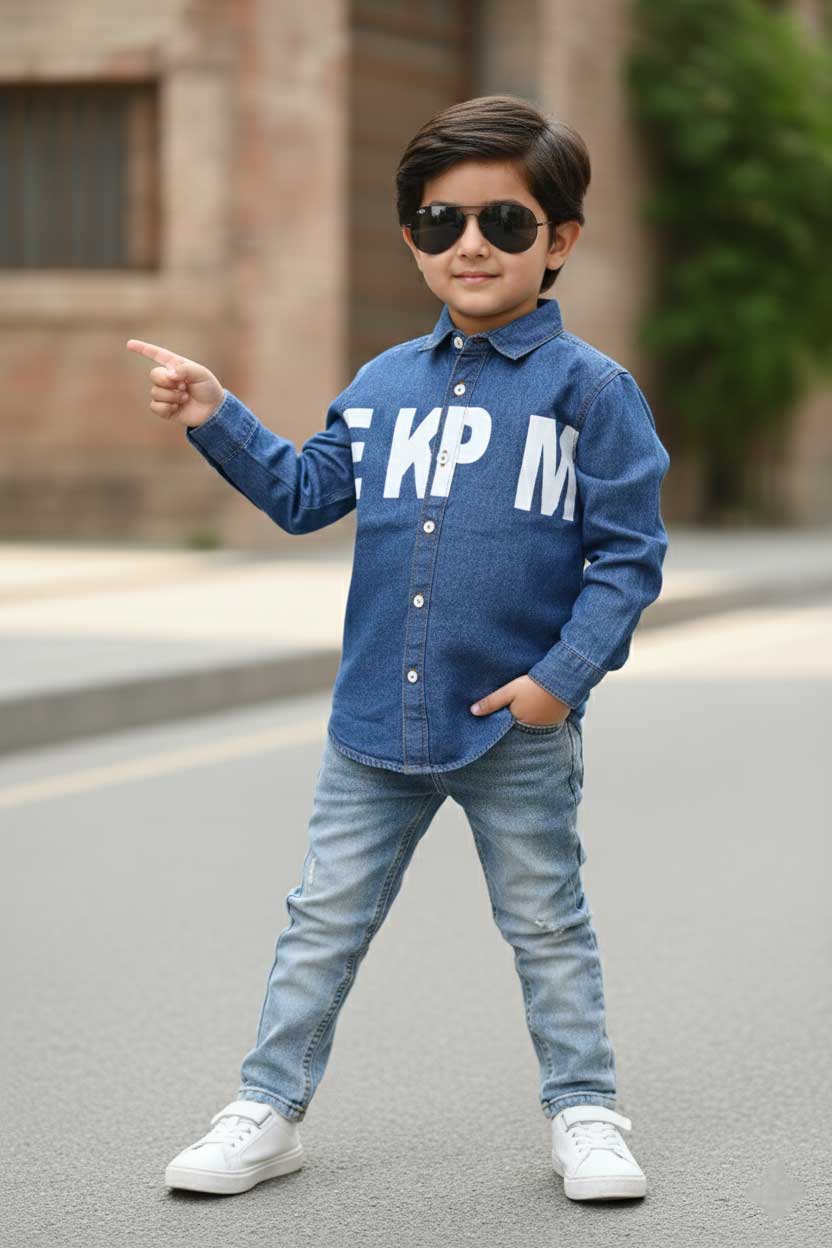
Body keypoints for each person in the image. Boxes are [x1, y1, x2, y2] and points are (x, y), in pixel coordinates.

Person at [126, 93, 670, 1201]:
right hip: (373, 719)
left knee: (545, 924)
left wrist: (558, 683)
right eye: (440, 222)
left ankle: (585, 1112)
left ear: (560, 239)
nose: (470, 244)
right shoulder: (381, 385)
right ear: (414, 239)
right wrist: (218, 413)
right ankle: (266, 1109)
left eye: (504, 222)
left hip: (513, 726)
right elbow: (302, 494)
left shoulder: (592, 393)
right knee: (321, 923)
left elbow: (628, 558)